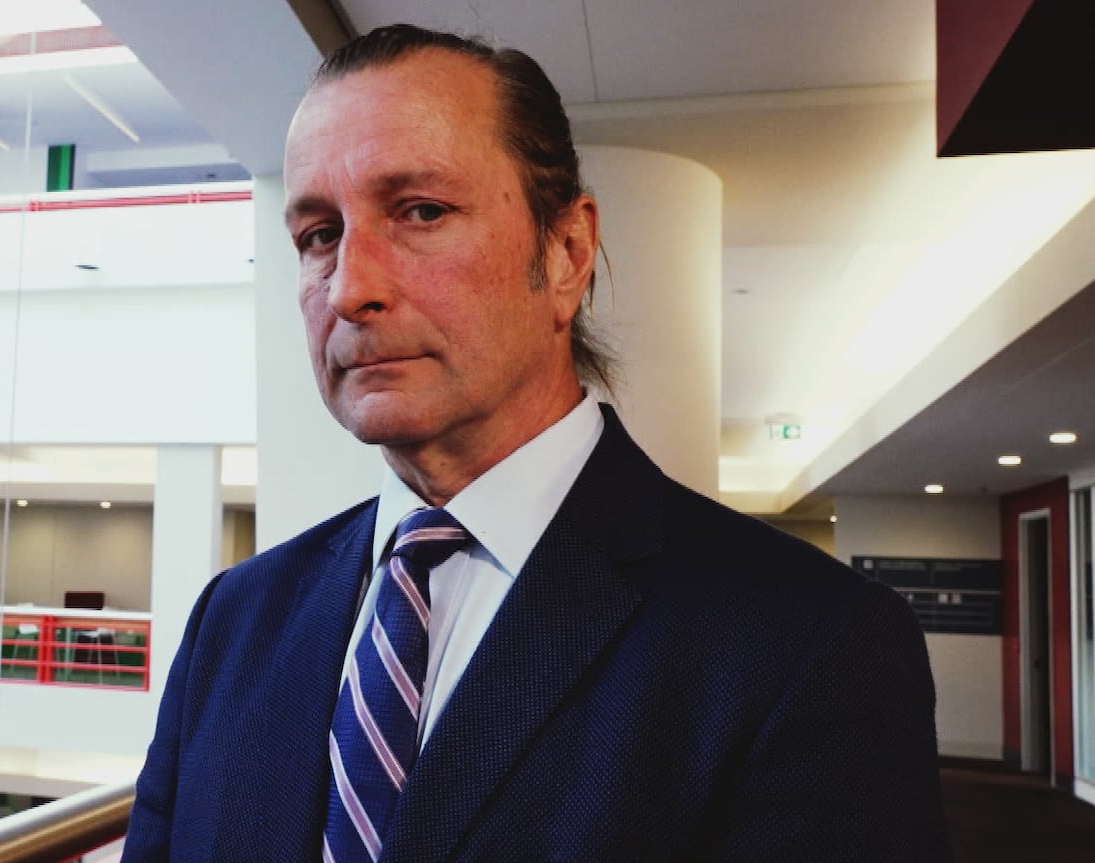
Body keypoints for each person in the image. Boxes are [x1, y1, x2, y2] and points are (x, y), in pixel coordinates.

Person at [123, 23, 950, 862]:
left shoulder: (805, 643)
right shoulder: (233, 621)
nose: (349, 288)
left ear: (566, 253)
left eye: (421, 212)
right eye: (318, 235)